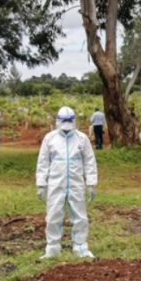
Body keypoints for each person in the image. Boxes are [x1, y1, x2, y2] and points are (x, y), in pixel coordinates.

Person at [36, 106, 98, 259]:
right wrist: (41, 184)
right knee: (53, 215)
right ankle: (52, 249)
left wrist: (91, 183)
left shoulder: (81, 138)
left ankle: (81, 247)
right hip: (55, 184)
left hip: (76, 183)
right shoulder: (50, 139)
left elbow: (89, 161)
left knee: (80, 216)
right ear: (58, 122)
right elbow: (43, 162)